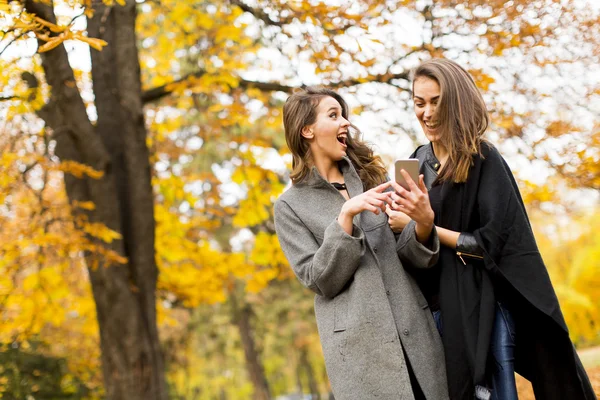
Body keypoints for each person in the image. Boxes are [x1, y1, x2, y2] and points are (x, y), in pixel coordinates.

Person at [386, 58, 596, 400]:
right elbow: (410, 250)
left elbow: (490, 245)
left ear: (455, 101)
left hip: (484, 310)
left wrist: (427, 225)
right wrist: (409, 227)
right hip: (435, 314)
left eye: (436, 101)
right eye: (419, 103)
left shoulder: (482, 158)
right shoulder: (417, 161)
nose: (426, 113)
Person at [274, 87, 449, 400]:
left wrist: (421, 223)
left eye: (344, 115)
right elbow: (319, 279)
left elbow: (416, 258)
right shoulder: (289, 206)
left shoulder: (374, 178)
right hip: (361, 354)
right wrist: (345, 216)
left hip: (416, 335)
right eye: (333, 115)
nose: (345, 123)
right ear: (307, 130)